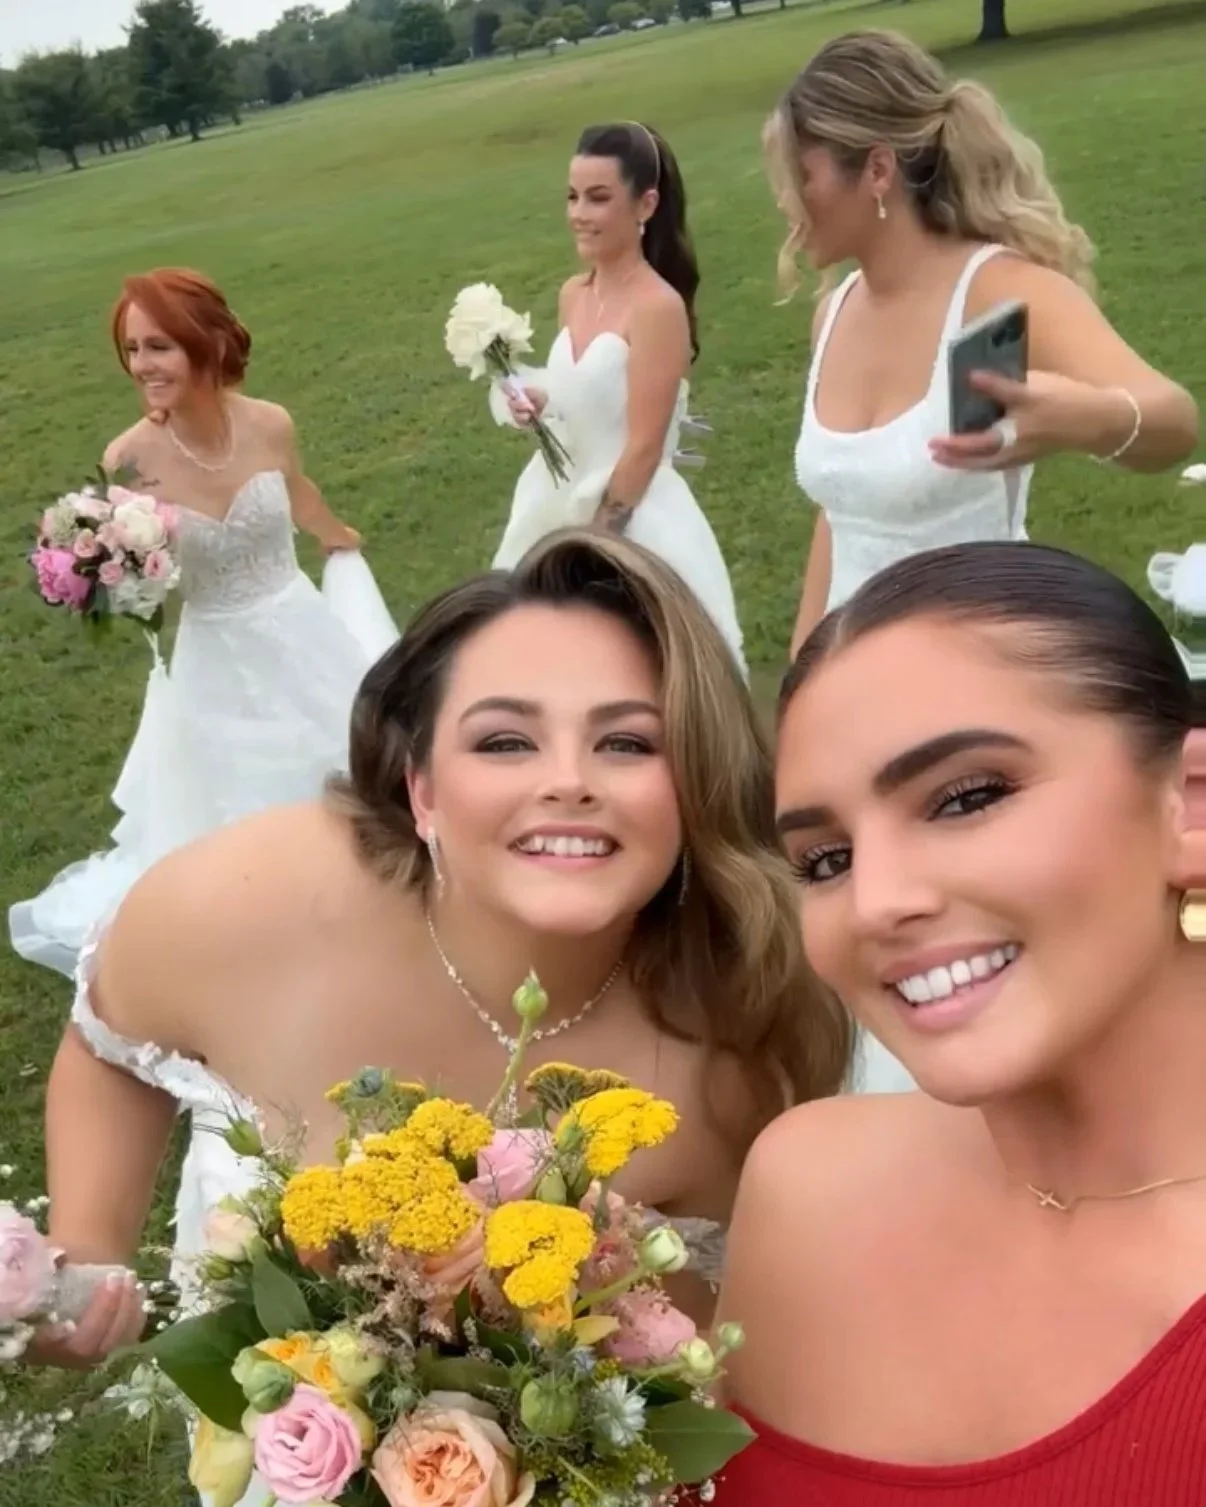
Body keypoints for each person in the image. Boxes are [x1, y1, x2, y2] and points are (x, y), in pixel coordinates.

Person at [34, 532, 850, 1433]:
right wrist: (89, 1242)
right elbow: (109, 1038)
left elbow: (727, 1365)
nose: (569, 781)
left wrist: (609, 1283)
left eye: (626, 742)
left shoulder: (748, 1028)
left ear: (694, 781)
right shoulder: (247, 901)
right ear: (420, 788)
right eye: (505, 741)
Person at [713, 541, 1206, 1504]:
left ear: (1186, 803)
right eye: (825, 860)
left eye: (967, 797)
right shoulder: (802, 1186)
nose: (875, 903)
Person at [764, 29, 1198, 1090]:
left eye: (801, 175)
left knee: (968, 927)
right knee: (877, 936)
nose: (789, 203)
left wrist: (1080, 418)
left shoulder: (996, 293)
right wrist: (801, 683)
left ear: (875, 169)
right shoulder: (833, 311)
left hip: (973, 680)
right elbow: (836, 510)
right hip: (853, 688)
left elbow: (1172, 420)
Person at [9, 268, 398, 979]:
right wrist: (110, 574)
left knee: (349, 770)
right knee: (239, 810)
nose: (142, 366)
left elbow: (296, 489)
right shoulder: (128, 460)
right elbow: (133, 577)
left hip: (298, 629)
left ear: (206, 343)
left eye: (158, 346)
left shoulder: (270, 422)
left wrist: (336, 534)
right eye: (132, 350)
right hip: (215, 653)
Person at [491, 121, 747, 672]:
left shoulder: (657, 308)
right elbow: (580, 392)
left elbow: (644, 447)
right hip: (553, 497)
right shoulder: (572, 294)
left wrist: (593, 548)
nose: (579, 213)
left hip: (631, 517)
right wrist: (539, 401)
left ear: (645, 204)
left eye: (599, 198)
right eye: (572, 196)